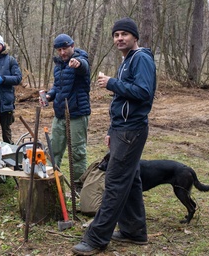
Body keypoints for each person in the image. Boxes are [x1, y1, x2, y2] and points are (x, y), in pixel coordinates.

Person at [72, 17, 157, 255]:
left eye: (124, 34)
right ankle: (134, 231)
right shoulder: (128, 60)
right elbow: (123, 100)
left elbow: (143, 92)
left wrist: (112, 83)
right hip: (123, 129)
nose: (119, 38)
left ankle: (97, 238)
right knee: (130, 180)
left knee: (115, 181)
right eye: (116, 35)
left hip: (132, 129)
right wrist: (112, 130)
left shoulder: (140, 58)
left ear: (135, 37)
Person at [41, 34, 90, 190]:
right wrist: (48, 95)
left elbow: (84, 67)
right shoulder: (59, 66)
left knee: (77, 152)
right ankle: (51, 183)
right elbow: (57, 87)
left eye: (65, 49)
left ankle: (78, 188)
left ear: (72, 47)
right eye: (59, 50)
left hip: (77, 114)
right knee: (53, 150)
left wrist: (78, 63)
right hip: (60, 114)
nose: (62, 53)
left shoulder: (80, 60)